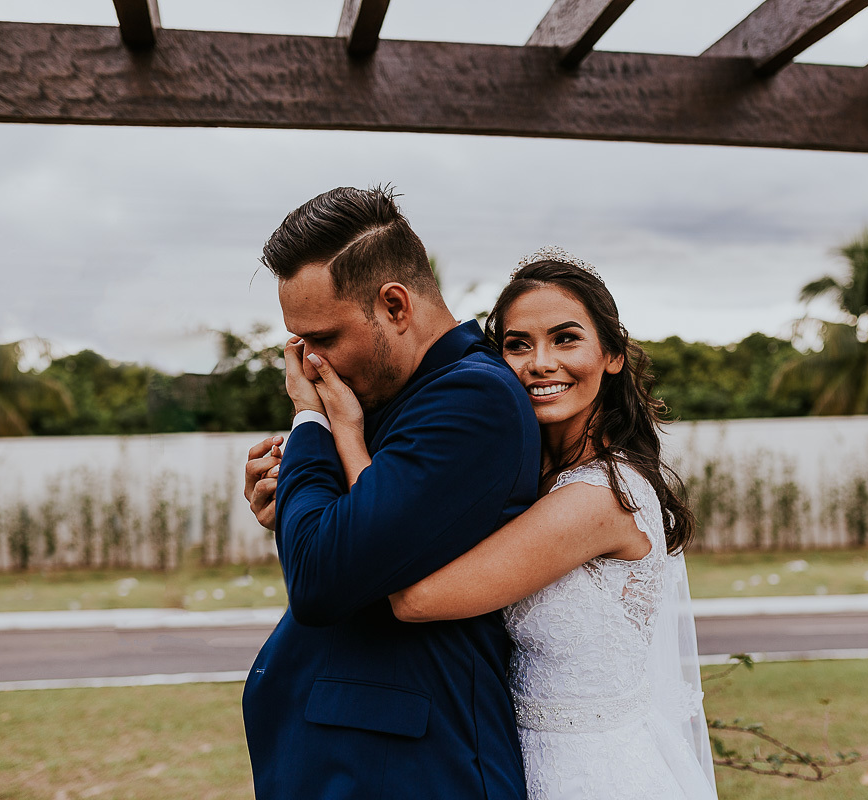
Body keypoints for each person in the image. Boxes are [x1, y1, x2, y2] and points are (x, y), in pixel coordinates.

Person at [286, 247, 718, 799]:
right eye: (518, 344)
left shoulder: (602, 497)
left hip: (592, 773)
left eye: (566, 339)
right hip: (516, 758)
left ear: (611, 355)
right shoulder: (529, 482)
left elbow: (413, 598)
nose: (540, 363)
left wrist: (344, 430)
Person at [241, 185, 541, 799]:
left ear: (395, 306)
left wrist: (309, 424)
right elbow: (340, 543)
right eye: (297, 343)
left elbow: (322, 579)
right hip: (342, 764)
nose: (306, 364)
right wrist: (292, 498)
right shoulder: (390, 391)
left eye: (322, 338)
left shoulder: (471, 401)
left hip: (410, 773)